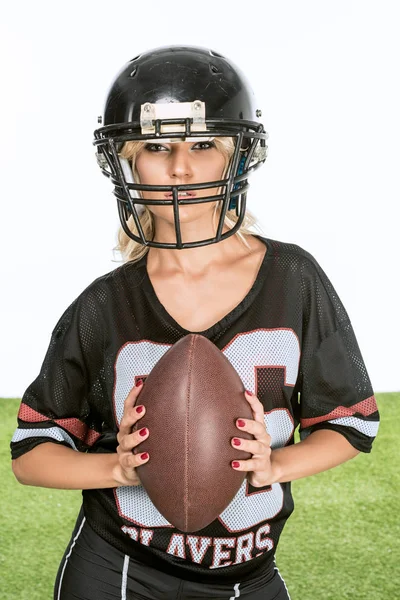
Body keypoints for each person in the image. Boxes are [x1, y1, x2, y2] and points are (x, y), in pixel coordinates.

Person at [10, 46, 380, 600]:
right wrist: (119, 469)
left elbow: (351, 427)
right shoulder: (103, 305)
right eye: (157, 147)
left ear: (237, 155)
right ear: (127, 160)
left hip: (246, 572)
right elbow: (31, 456)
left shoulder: (293, 277)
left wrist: (272, 463)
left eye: (203, 145)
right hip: (119, 568)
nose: (181, 166)